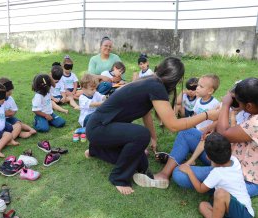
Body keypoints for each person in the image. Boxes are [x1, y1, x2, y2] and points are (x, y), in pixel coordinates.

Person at [85, 57, 218, 195]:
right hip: (99, 128)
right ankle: (119, 178)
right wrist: (207, 115)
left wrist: (153, 138)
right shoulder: (156, 86)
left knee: (141, 164)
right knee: (141, 135)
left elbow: (146, 113)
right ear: (175, 79)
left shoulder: (151, 81)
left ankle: (96, 149)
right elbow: (173, 125)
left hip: (102, 127)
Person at [148, 78, 258, 198]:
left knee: (179, 174)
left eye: (239, 102)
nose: (236, 104)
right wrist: (212, 125)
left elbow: (224, 134)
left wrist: (226, 105)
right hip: (224, 155)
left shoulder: (255, 123)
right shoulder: (252, 104)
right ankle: (164, 174)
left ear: (249, 105)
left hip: (240, 175)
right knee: (187, 133)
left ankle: (220, 186)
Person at [179, 132, 254, 218]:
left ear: (208, 157)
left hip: (243, 215)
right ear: (230, 149)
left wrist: (189, 171)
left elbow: (200, 189)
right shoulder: (234, 160)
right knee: (203, 205)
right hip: (228, 211)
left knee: (220, 193)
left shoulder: (217, 174)